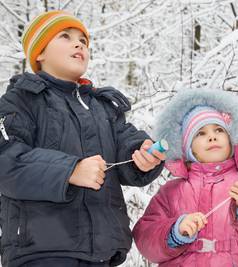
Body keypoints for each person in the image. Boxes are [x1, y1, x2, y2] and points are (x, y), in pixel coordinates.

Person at [0, 10, 165, 267]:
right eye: (65, 36)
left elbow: (126, 144)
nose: (79, 44)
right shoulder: (21, 100)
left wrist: (142, 155)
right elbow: (6, 160)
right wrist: (70, 171)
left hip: (103, 253)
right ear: (39, 53)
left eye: (84, 41)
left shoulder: (103, 107)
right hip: (42, 252)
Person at [133, 89, 238, 266]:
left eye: (219, 130)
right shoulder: (171, 192)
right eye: (200, 133)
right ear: (188, 148)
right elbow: (145, 240)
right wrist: (175, 232)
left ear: (231, 139)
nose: (212, 136)